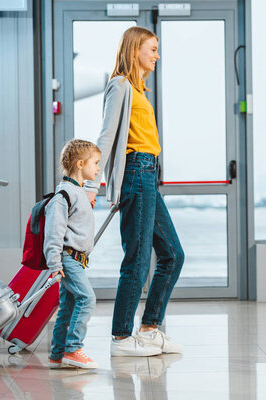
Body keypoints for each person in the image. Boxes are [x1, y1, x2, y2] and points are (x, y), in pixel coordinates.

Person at [94, 26, 184, 357]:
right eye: (152, 49)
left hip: (149, 174)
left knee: (173, 254)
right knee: (138, 258)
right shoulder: (120, 86)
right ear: (135, 52)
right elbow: (105, 137)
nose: (157, 56)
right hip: (135, 173)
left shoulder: (139, 89)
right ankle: (121, 337)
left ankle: (148, 329)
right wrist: (92, 185)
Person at [44, 139, 101, 369]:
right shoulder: (63, 196)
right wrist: (54, 263)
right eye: (95, 163)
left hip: (76, 259)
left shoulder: (76, 192)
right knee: (87, 299)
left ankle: (57, 354)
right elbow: (54, 233)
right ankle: (73, 349)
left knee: (67, 307)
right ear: (80, 164)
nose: (98, 169)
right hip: (68, 259)